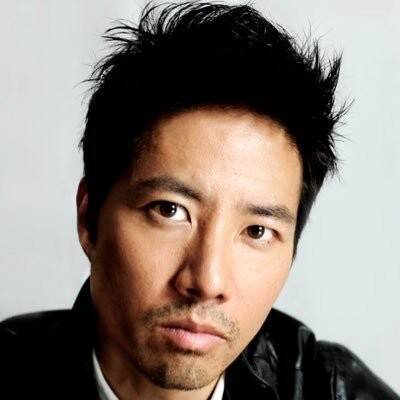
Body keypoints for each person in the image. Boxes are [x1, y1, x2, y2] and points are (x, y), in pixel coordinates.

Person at [0, 1, 398, 399]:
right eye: (170, 210)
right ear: (90, 220)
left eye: (257, 231)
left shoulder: (333, 391)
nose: (208, 282)